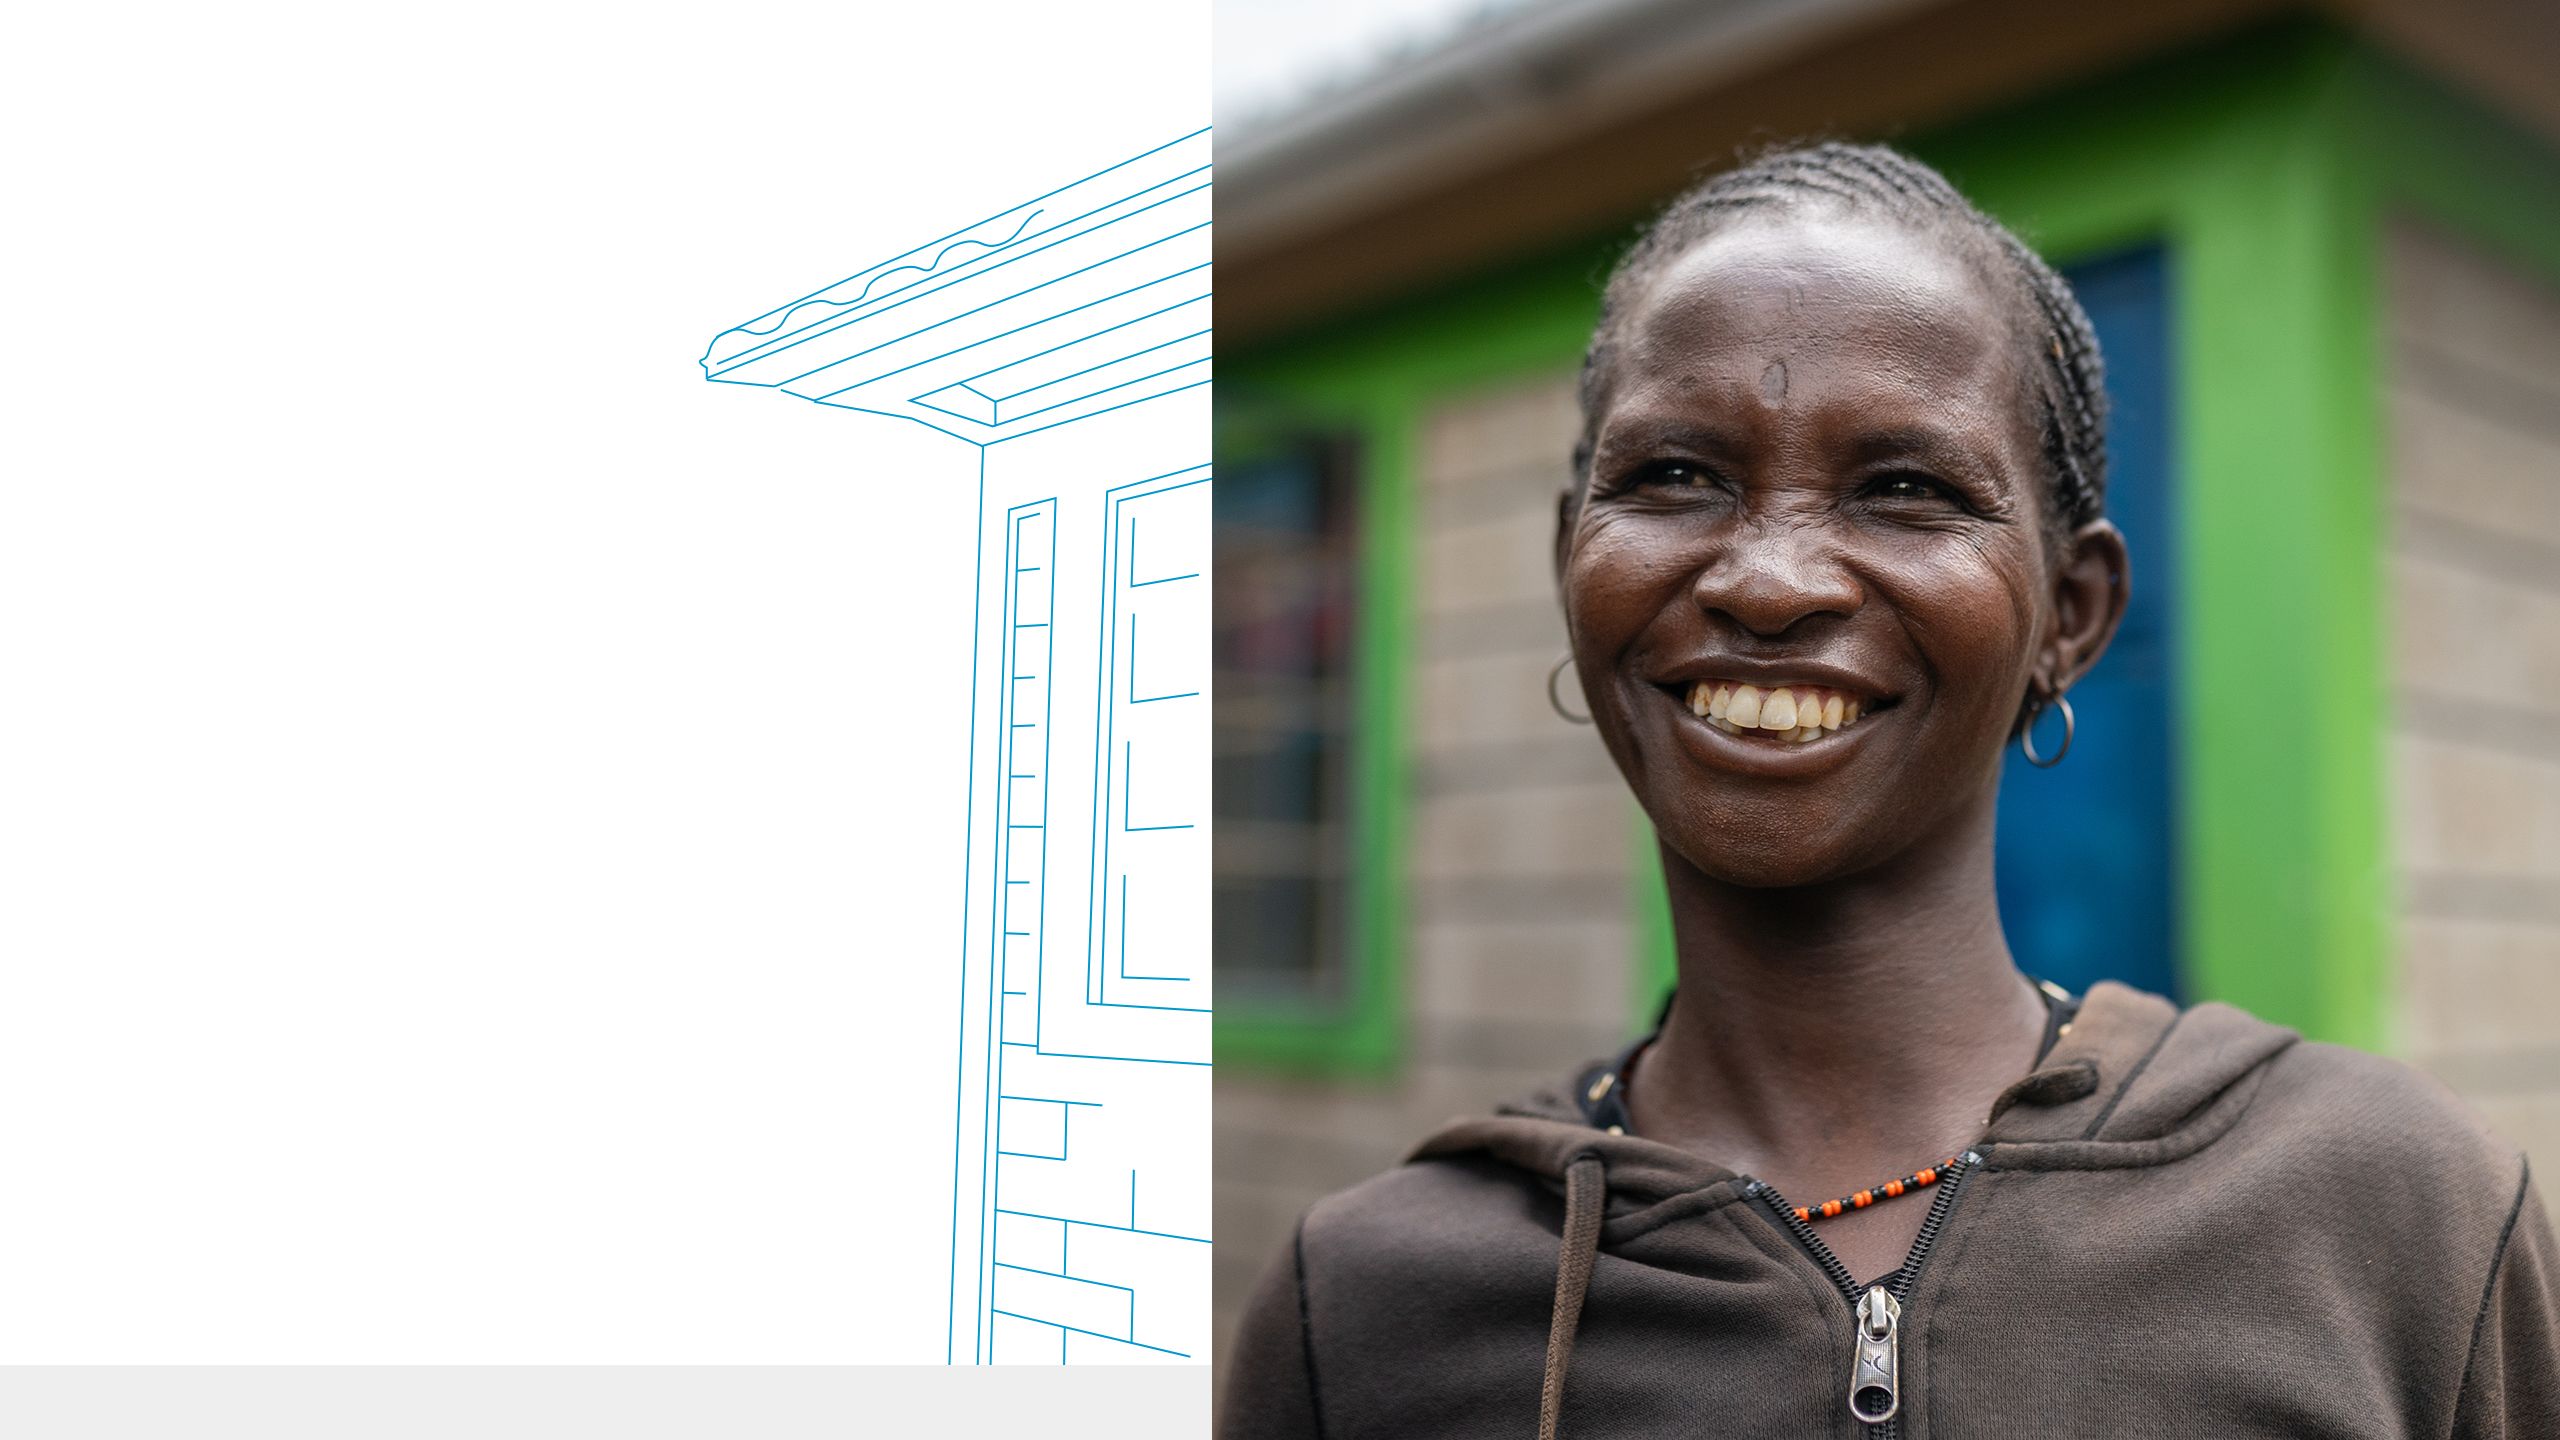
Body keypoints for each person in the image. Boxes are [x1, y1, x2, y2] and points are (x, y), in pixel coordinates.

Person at [1217, 142, 2560, 1438]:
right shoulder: (1369, 1307)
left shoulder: (2394, 1220)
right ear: (1574, 555)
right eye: (1675, 476)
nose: (1769, 578)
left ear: (2072, 616)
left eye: (1906, 489)